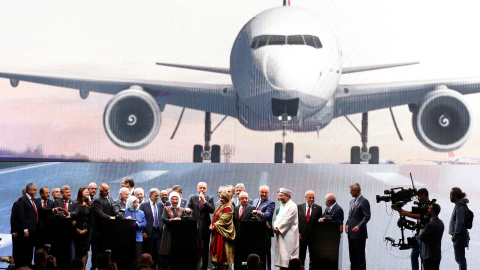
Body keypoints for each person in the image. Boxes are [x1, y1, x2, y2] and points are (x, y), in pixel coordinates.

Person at [392, 188, 430, 270]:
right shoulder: (421, 205)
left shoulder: (430, 206)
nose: (418, 198)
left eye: (419, 196)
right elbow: (413, 213)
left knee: (423, 257)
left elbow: (421, 216)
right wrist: (399, 210)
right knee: (413, 255)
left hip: (424, 236)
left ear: (424, 195)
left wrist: (406, 213)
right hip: (418, 234)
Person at [185, 182, 215, 270]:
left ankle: (204, 268)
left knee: (205, 250)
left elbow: (212, 210)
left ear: (206, 189)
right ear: (197, 188)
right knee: (194, 249)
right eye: (200, 188)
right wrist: (187, 210)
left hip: (205, 228)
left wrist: (204, 201)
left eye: (204, 188)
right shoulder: (192, 197)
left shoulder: (209, 198)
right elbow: (187, 207)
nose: (202, 190)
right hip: (195, 227)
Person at [91, 183, 118, 270]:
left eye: (108, 189)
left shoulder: (110, 198)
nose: (108, 191)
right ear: (101, 191)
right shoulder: (97, 200)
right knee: (99, 251)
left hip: (109, 230)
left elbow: (113, 208)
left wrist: (118, 214)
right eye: (106, 190)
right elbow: (99, 213)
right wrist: (110, 217)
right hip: (100, 230)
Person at [346, 183, 370, 270]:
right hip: (351, 233)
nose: (350, 192)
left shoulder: (364, 201)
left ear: (357, 190)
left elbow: (367, 216)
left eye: (351, 190)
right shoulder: (351, 201)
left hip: (359, 234)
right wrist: (347, 224)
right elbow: (350, 215)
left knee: (360, 257)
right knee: (352, 257)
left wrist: (359, 226)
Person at [273, 188, 299, 270]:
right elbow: (278, 218)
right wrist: (275, 227)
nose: (279, 197)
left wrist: (278, 229)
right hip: (280, 235)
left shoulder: (293, 206)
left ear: (287, 196)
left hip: (288, 236)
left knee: (288, 261)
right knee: (281, 261)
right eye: (279, 196)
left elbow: (287, 220)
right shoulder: (281, 205)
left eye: (281, 196)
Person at [251, 185, 276, 270]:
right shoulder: (254, 201)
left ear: (268, 193)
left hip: (265, 231)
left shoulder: (271, 203)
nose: (264, 194)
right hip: (254, 231)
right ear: (259, 192)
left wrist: (260, 213)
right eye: (262, 192)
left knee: (266, 253)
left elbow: (268, 215)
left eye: (266, 192)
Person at [209, 191, 235, 270]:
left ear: (227, 198)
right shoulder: (220, 206)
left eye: (223, 198)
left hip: (224, 236)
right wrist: (211, 225)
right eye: (220, 197)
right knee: (218, 263)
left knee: (223, 261)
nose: (221, 199)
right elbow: (215, 217)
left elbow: (223, 220)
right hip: (217, 235)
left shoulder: (228, 208)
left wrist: (214, 226)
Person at [159, 191, 185, 269]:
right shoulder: (166, 208)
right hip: (168, 232)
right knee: (167, 253)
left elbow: (184, 220)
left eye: (176, 199)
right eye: (173, 199)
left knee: (177, 253)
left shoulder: (182, 209)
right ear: (170, 200)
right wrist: (173, 221)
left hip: (178, 234)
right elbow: (164, 218)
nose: (174, 201)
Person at [139, 188, 164, 265]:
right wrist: (143, 231)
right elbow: (141, 219)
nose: (157, 198)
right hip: (149, 232)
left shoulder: (160, 205)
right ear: (150, 196)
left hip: (159, 232)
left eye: (158, 196)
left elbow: (161, 217)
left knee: (159, 251)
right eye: (155, 196)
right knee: (150, 252)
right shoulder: (143, 205)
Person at [297, 190, 322, 268]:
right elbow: (296, 221)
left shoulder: (318, 208)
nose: (312, 199)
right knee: (301, 257)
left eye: (313, 198)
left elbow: (319, 224)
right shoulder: (299, 207)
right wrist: (297, 232)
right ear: (305, 197)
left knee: (313, 258)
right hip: (302, 236)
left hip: (313, 237)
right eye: (310, 197)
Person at [233, 191, 256, 270]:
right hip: (237, 237)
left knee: (246, 257)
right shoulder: (235, 208)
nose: (245, 200)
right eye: (243, 198)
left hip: (246, 237)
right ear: (239, 199)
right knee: (237, 257)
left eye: (246, 198)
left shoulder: (252, 208)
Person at [449, 187, 470, 270]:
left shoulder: (460, 207)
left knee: (460, 259)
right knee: (460, 258)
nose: (450, 196)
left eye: (451, 194)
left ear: (455, 195)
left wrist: (455, 235)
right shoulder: (459, 206)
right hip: (459, 236)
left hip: (459, 237)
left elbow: (459, 222)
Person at [418, 203, 444, 270]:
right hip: (437, 255)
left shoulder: (429, 225)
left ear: (432, 212)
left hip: (428, 255)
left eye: (429, 208)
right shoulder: (441, 223)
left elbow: (421, 237)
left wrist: (421, 232)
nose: (427, 210)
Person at [73, 187, 94, 267]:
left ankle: (83, 268)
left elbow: (91, 220)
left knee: (85, 250)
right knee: (77, 250)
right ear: (81, 192)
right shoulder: (75, 203)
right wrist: (77, 229)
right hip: (76, 231)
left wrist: (86, 229)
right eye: (86, 192)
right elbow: (73, 218)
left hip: (87, 232)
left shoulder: (90, 204)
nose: (88, 194)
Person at [125, 196, 147, 268]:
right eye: (134, 202)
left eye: (137, 202)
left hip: (138, 237)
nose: (136, 204)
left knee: (138, 257)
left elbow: (144, 223)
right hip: (128, 237)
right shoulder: (125, 212)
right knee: (128, 257)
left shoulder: (141, 212)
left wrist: (138, 224)